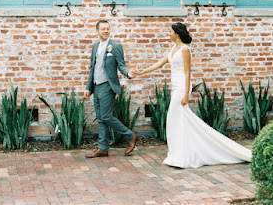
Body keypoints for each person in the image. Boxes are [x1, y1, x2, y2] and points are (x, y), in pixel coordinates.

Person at [134, 22, 252, 168]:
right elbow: (159, 63)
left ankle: (179, 157)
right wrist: (142, 72)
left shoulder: (185, 50)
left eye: (170, 32)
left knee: (172, 119)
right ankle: (176, 154)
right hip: (175, 87)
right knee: (178, 121)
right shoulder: (173, 49)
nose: (168, 34)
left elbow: (188, 72)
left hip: (182, 88)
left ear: (177, 34)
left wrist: (186, 94)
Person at [84, 20, 138, 158]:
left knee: (106, 116)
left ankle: (130, 135)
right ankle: (103, 148)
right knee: (101, 118)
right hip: (96, 87)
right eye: (103, 29)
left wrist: (128, 73)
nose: (106, 31)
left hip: (108, 86)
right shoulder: (95, 46)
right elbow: (93, 68)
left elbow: (121, 65)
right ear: (97, 31)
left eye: (107, 29)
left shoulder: (115, 46)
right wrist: (88, 88)